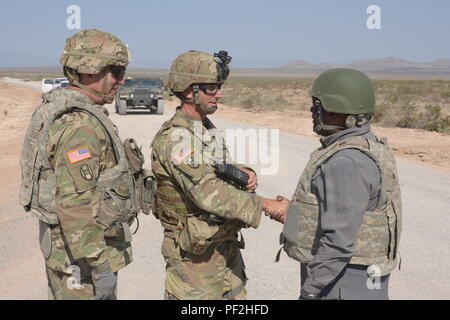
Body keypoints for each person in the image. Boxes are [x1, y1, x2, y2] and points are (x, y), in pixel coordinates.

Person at [19, 29, 150, 300]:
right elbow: (74, 203)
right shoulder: (80, 125)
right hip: (81, 261)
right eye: (116, 72)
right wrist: (100, 266)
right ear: (90, 71)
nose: (121, 81)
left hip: (73, 253)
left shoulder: (61, 108)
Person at [150, 50, 287, 300]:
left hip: (225, 253)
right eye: (212, 88)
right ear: (190, 91)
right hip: (195, 266)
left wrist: (243, 172)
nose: (220, 94)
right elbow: (209, 192)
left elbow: (218, 169)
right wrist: (266, 205)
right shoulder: (175, 139)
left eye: (219, 87)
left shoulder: (204, 129)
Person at [277, 68, 402, 300]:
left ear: (338, 111)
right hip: (356, 281)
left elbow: (339, 241)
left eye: (318, 106)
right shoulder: (368, 145)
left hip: (341, 282)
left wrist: (311, 291)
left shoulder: (346, 161)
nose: (312, 111)